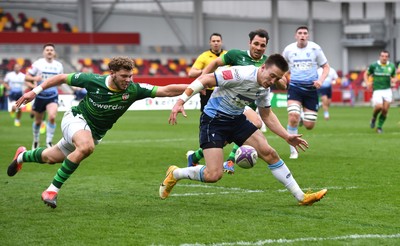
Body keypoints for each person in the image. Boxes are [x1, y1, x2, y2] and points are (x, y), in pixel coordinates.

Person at [7, 56, 188, 208]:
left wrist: (195, 87)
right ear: (113, 73)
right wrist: (35, 91)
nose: (128, 80)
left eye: (130, 76)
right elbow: (61, 78)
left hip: (94, 132)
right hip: (76, 119)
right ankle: (51, 190)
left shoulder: (134, 90)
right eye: (124, 76)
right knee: (86, 147)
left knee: (50, 157)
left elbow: (165, 90)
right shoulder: (93, 80)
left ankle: (22, 156)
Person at [160, 54, 327, 206]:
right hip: (213, 121)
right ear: (263, 68)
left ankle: (301, 197)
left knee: (270, 153)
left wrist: (286, 136)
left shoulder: (264, 88)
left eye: (277, 78)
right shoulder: (240, 74)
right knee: (214, 175)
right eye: (271, 76)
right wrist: (180, 101)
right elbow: (205, 80)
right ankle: (176, 173)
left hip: (237, 120)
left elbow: (267, 115)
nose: (272, 81)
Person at [187, 29, 287, 174]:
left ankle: (198, 156)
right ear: (250, 43)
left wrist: (277, 79)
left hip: (247, 105)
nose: (259, 48)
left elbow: (283, 85)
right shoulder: (236, 55)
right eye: (256, 44)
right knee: (256, 123)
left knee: (229, 136)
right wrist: (203, 80)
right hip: (229, 102)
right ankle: (229, 159)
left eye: (262, 45)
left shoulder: (268, 63)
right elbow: (215, 62)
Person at [282, 26, 330, 159]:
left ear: (308, 36)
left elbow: (326, 66)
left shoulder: (315, 49)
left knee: (309, 126)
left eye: (305, 33)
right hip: (295, 87)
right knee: (292, 116)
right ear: (295, 35)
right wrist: (283, 78)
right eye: (300, 33)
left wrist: (320, 80)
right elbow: (281, 66)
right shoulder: (289, 49)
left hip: (311, 89)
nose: (302, 35)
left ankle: (302, 117)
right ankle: (293, 150)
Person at [25, 43, 64, 149]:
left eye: (51, 50)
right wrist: (34, 79)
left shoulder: (58, 65)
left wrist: (59, 82)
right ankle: (36, 140)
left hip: (53, 95)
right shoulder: (38, 64)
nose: (49, 51)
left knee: (52, 117)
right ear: (44, 52)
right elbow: (27, 77)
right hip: (40, 96)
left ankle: (49, 142)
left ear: (54, 52)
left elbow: (61, 80)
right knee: (38, 121)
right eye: (47, 50)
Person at [188, 32, 227, 112]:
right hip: (208, 90)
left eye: (218, 41)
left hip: (224, 89)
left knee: (224, 115)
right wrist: (206, 70)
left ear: (221, 42)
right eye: (213, 41)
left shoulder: (227, 55)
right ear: (210, 43)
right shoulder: (204, 56)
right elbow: (191, 73)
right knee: (206, 114)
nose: (216, 43)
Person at [363, 50, 397, 134]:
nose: (384, 58)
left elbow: (394, 76)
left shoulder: (391, 66)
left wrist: (394, 79)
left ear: (388, 57)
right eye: (382, 56)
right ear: (379, 56)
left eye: (386, 56)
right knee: (379, 107)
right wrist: (367, 83)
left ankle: (379, 127)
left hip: (387, 90)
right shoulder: (374, 65)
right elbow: (366, 74)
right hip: (377, 90)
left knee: (385, 110)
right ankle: (374, 118)